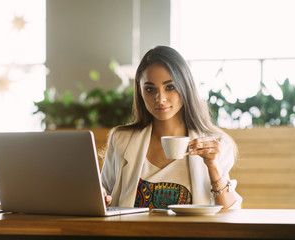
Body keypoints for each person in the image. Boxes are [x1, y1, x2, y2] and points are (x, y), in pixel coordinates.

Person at [101, 46, 242, 209]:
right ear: (140, 91)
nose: (160, 99)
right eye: (149, 89)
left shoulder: (216, 145)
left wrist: (213, 168)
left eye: (170, 87)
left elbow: (229, 214)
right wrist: (102, 199)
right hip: (131, 234)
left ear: (186, 87)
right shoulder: (121, 139)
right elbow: (104, 194)